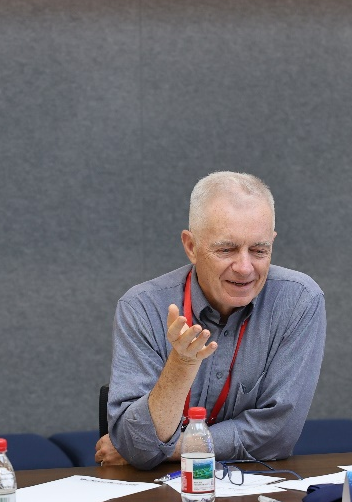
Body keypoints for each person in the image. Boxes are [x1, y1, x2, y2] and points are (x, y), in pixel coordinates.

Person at [95, 172, 326, 470]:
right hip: (153, 490)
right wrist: (182, 364)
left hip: (252, 484)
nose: (244, 268)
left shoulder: (299, 300)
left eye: (259, 250)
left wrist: (170, 448)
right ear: (191, 247)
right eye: (226, 250)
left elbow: (278, 435)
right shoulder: (142, 307)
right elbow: (137, 443)